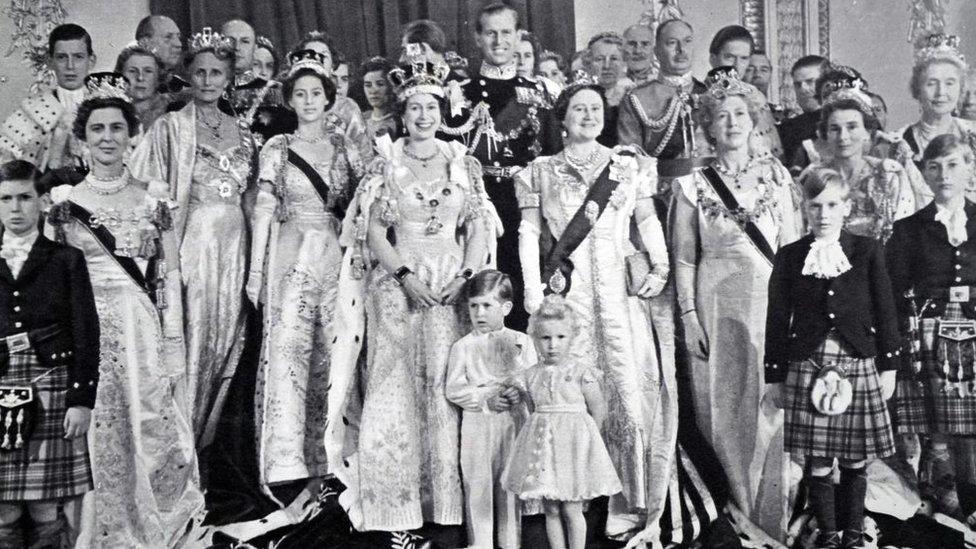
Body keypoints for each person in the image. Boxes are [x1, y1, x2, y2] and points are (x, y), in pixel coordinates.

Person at [516, 79, 712, 544]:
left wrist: (661, 264)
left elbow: (645, 218)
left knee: (626, 388)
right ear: (562, 119)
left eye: (595, 108)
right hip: (568, 293)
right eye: (578, 109)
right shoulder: (539, 171)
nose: (588, 116)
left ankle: (629, 504)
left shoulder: (628, 165)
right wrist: (530, 289)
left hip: (620, 293)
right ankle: (571, 496)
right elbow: (528, 233)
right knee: (571, 391)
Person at [325, 58, 499, 533]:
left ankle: (448, 503)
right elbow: (374, 232)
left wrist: (465, 275)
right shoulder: (387, 163)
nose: (423, 115)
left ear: (443, 111)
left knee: (448, 384)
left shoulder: (462, 162)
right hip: (399, 284)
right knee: (395, 384)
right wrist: (404, 275)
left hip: (451, 283)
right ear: (402, 114)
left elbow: (479, 225)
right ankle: (397, 503)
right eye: (415, 107)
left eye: (431, 106)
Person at [46, 72, 204, 547]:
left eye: (117, 128)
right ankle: (106, 527)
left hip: (140, 326)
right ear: (82, 138)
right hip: (88, 329)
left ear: (131, 134)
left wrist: (173, 339)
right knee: (101, 425)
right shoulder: (65, 203)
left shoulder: (153, 196)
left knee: (151, 417)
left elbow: (168, 274)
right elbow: (57, 286)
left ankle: (160, 518)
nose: (108, 138)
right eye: (98, 129)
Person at [672, 72, 802, 541]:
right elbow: (685, 259)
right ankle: (735, 514)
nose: (732, 122)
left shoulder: (777, 177)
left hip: (772, 305)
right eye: (722, 115)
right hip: (714, 307)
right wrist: (688, 317)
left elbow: (793, 252)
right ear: (708, 124)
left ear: (754, 121)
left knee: (770, 407)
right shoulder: (694, 185)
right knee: (722, 408)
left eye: (740, 114)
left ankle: (775, 516)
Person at [248, 48, 364, 503]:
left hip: (334, 254)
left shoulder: (345, 148)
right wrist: (256, 273)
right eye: (301, 94)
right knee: (290, 349)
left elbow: (362, 205)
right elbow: (263, 210)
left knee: (333, 350)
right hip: (291, 252)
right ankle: (287, 462)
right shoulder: (277, 148)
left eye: (317, 93)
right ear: (290, 100)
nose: (310, 101)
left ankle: (334, 454)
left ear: (329, 98)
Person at [130, 28, 252, 449]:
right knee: (195, 337)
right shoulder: (170, 127)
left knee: (229, 341)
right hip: (194, 243)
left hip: (237, 246)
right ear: (188, 75)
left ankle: (208, 447)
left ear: (228, 78)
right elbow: (147, 191)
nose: (206, 80)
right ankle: (181, 446)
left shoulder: (245, 132)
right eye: (199, 72)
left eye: (216, 72)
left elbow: (253, 201)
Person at [766, 167, 900, 549]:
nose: (823, 213)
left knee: (856, 459)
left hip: (858, 362)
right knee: (820, 460)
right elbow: (776, 318)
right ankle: (827, 535)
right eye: (815, 205)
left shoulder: (868, 249)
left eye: (831, 204)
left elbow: (886, 310)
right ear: (804, 208)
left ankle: (855, 535)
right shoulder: (791, 256)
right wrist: (775, 375)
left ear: (846, 206)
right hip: (807, 364)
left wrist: (889, 365)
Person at [0, 159, 99, 548]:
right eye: (5, 199)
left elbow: (86, 332)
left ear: (41, 201)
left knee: (45, 507)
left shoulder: (66, 259)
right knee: (4, 509)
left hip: (52, 386)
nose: (15, 208)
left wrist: (81, 399)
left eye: (25, 197)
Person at [441, 1, 556, 331]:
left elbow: (551, 159)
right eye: (490, 33)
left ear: (518, 36)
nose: (499, 41)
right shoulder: (459, 95)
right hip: (478, 208)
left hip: (525, 210)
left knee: (521, 297)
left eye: (506, 32)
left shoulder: (538, 94)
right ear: (477, 37)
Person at [886, 134, 976, 525]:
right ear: (923, 172)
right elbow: (890, 288)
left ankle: (972, 507)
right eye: (935, 167)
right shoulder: (908, 229)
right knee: (937, 433)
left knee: (971, 432)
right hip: (928, 333)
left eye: (954, 165)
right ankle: (944, 508)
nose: (944, 175)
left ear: (970, 167)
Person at [502, 294, 622, 549]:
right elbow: (533, 408)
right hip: (544, 448)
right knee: (551, 509)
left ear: (572, 337)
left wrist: (590, 445)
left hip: (573, 448)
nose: (552, 345)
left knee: (571, 509)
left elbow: (598, 409)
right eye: (545, 338)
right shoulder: (531, 375)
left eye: (560, 337)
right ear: (535, 339)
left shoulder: (581, 372)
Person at [445, 270, 537, 549]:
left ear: (506, 308)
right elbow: (454, 388)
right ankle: (479, 543)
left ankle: (511, 543)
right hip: (477, 424)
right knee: (478, 483)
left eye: (487, 305)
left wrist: (518, 389)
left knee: (509, 483)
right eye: (474, 306)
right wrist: (485, 399)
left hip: (512, 421)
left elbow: (533, 377)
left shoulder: (522, 341)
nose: (479, 313)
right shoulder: (462, 347)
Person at [804, 85, 918, 241]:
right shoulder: (813, 176)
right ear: (826, 134)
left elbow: (904, 234)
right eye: (835, 129)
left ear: (867, 132)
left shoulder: (888, 175)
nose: (843, 137)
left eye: (852, 127)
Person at [617, 18, 706, 208]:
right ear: (657, 52)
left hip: (709, 194)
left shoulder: (710, 94)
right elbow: (630, 163)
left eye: (687, 41)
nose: (681, 50)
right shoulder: (636, 99)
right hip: (661, 199)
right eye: (672, 43)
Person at [0, 24, 95, 172]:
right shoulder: (30, 111)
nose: (70, 66)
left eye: (78, 57)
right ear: (50, 62)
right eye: (62, 57)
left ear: (91, 60)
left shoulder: (106, 107)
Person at [290, 31, 373, 161]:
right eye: (310, 55)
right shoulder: (293, 104)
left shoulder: (347, 107)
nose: (317, 60)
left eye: (323, 55)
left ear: (333, 65)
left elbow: (364, 153)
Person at [898, 34, 975, 172]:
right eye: (931, 83)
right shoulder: (901, 142)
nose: (941, 92)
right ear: (917, 90)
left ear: (961, 88)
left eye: (950, 83)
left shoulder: (972, 133)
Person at [779, 55, 831, 173]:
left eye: (810, 81)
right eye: (798, 84)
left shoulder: (846, 120)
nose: (803, 89)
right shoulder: (787, 128)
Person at [116, 43, 170, 133]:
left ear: (159, 77)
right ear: (121, 76)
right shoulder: (111, 111)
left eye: (148, 71)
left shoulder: (172, 110)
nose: (140, 78)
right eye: (132, 71)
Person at [134, 15, 187, 93]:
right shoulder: (125, 86)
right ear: (145, 43)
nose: (179, 44)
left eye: (178, 37)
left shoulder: (181, 87)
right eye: (168, 37)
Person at [361, 56, 397, 139]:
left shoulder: (399, 122)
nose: (373, 91)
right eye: (368, 85)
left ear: (391, 86)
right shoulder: (360, 119)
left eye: (380, 84)